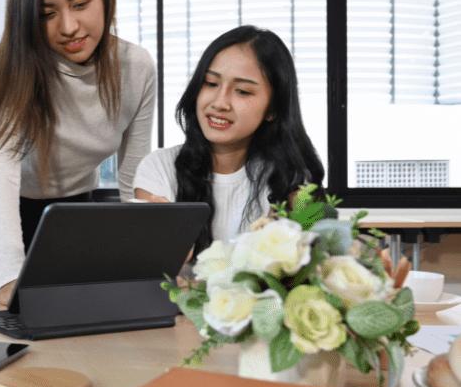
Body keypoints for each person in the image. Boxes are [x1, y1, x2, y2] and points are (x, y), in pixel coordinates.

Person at [0, 0, 156, 305]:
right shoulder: (7, 72)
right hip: (9, 216)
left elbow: (131, 176)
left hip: (76, 215)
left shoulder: (135, 68)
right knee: (11, 344)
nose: (69, 27)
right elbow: (0, 175)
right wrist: (8, 279)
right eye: (47, 14)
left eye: (81, 4)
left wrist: (137, 264)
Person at [133, 25, 324, 252]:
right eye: (211, 83)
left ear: (273, 108)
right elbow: (153, 270)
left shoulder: (293, 179)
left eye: (242, 91)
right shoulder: (159, 169)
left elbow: (315, 261)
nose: (219, 102)